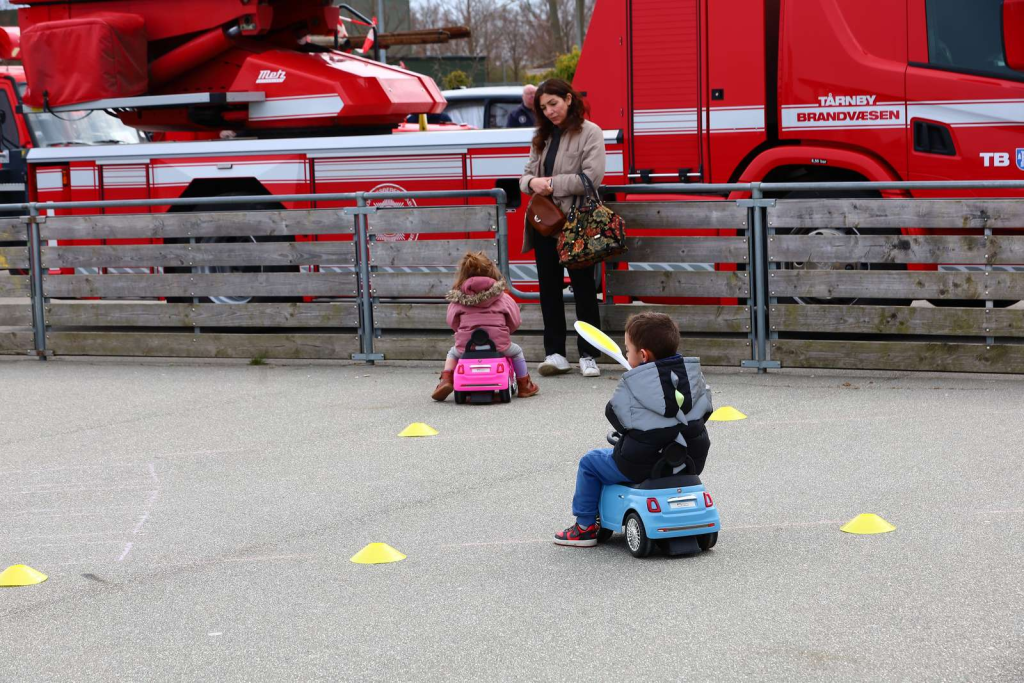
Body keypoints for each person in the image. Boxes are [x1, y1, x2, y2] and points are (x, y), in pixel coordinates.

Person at [553, 312, 714, 547]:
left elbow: (614, 415)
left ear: (643, 355)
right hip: (690, 459)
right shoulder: (692, 376)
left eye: (627, 350)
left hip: (640, 464)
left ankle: (585, 526)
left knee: (590, 463)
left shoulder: (634, 384)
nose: (626, 354)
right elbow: (705, 411)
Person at [518, 78, 605, 378]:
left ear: (568, 99)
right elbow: (525, 176)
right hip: (545, 225)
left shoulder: (591, 132)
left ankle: (588, 354)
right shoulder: (541, 136)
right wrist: (532, 182)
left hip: (579, 223)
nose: (549, 111)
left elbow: (591, 178)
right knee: (549, 290)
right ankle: (554, 353)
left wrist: (551, 184)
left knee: (584, 290)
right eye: (543, 107)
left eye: (553, 103)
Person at [431, 251, 540, 401]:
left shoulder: (458, 299)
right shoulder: (503, 297)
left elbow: (452, 321)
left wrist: (461, 330)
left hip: (466, 346)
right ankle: (524, 385)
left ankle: (446, 380)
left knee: (452, 353)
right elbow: (515, 321)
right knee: (517, 352)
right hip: (499, 345)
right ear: (492, 273)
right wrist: (506, 329)